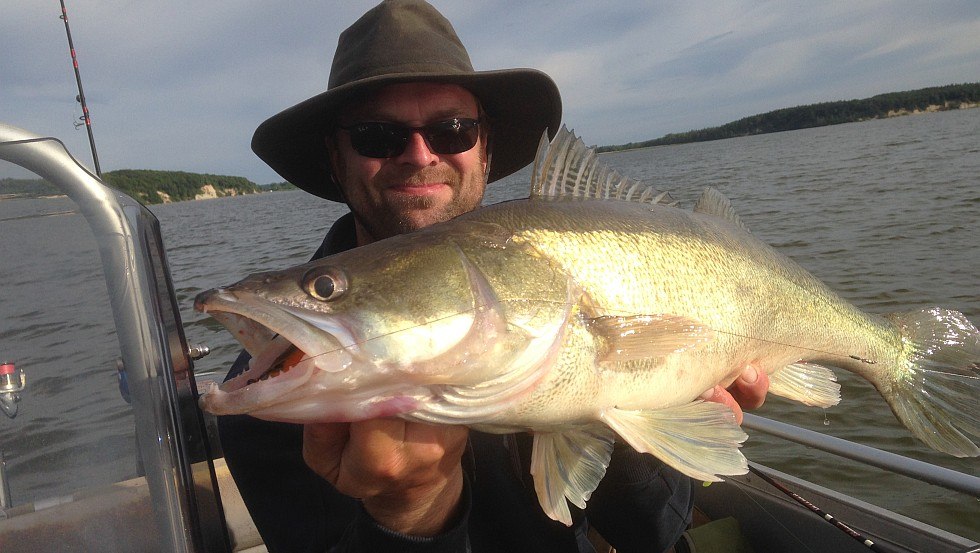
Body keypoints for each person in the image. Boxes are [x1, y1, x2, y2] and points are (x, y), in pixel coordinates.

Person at [219, 1, 769, 552]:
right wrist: (410, 511)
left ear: (485, 150)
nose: (419, 154)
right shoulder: (274, 397)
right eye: (376, 135)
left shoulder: (550, 272)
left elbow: (654, 534)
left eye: (453, 129)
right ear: (336, 158)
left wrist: (636, 416)